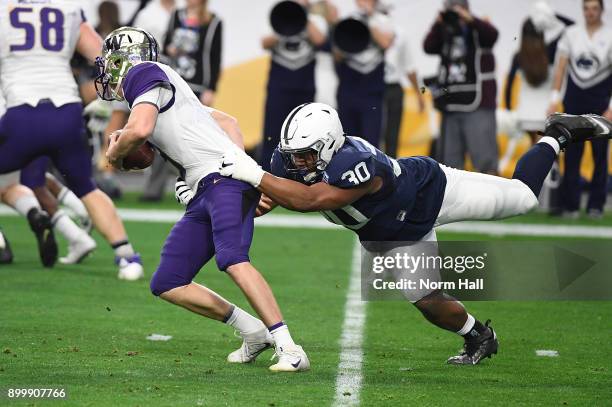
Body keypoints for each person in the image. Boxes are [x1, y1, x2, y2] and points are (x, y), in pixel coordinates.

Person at [218, 102, 612, 365]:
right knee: (426, 301)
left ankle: (556, 134)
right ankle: (480, 336)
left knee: (524, 198)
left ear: (331, 145)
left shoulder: (357, 161)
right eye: (293, 156)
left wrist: (254, 175)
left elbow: (309, 199)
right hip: (392, 236)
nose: (296, 162)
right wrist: (253, 199)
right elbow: (278, 194)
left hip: (433, 194)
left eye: (306, 154)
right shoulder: (286, 162)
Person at [98, 26, 309, 372]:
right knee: (168, 281)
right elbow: (228, 121)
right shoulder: (169, 87)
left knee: (233, 258)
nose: (106, 71)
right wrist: (232, 165)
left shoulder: (142, 74)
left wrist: (115, 153)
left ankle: (290, 348)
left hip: (222, 181)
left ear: (124, 61)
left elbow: (138, 130)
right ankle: (253, 331)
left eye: (110, 62)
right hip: (209, 184)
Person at [0, 0, 143, 280]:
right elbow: (106, 56)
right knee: (87, 187)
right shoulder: (67, 10)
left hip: (22, 115)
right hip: (66, 113)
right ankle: (128, 257)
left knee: (13, 183)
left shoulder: (5, 13)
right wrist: (107, 99)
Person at [547, 0, 612, 219]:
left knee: (600, 157)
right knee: (572, 155)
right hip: (574, 102)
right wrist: (554, 98)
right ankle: (571, 205)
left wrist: (611, 107)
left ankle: (596, 205)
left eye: (594, 8)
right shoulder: (571, 33)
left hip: (600, 104)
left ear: (601, 10)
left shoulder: (610, 34)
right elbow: (561, 67)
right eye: (586, 8)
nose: (590, 13)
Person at [423, 0, 499, 174]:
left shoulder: (478, 29)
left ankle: (491, 200)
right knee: (450, 167)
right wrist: (439, 23)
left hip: (477, 105)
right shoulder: (445, 30)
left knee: (485, 162)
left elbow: (492, 35)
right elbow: (428, 46)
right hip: (451, 105)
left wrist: (470, 19)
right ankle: (456, 201)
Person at [259, 0, 328, 171]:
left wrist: (303, 15)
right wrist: (285, 23)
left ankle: (305, 175)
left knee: (305, 134)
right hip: (279, 87)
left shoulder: (315, 20)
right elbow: (264, 43)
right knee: (272, 134)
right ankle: (267, 176)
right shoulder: (277, 14)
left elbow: (320, 41)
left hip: (304, 87)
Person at [331, 0, 394, 149]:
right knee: (347, 141)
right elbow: (337, 55)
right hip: (349, 89)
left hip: (372, 91)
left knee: (371, 142)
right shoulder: (348, 20)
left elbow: (385, 43)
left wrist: (369, 19)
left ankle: (373, 172)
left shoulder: (383, 20)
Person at [382, 4, 425, 158]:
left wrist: (420, 93)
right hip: (371, 88)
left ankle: (390, 171)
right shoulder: (364, 30)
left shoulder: (400, 34)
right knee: (373, 133)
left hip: (393, 87)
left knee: (392, 134)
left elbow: (410, 67)